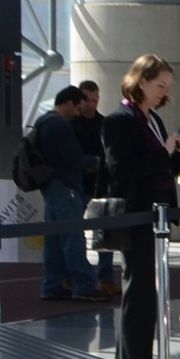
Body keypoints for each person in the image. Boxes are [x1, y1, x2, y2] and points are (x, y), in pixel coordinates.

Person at [102, 53, 180, 359]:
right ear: (141, 82)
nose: (164, 92)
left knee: (147, 292)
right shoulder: (118, 121)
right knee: (138, 291)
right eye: (160, 85)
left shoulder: (152, 119)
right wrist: (164, 154)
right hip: (136, 215)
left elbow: (161, 167)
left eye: (167, 86)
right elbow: (120, 170)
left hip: (156, 216)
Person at [32, 85, 104, 302]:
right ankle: (84, 284)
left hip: (50, 186)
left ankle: (52, 284)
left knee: (54, 238)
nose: (79, 113)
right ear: (69, 103)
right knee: (74, 237)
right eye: (78, 107)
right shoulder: (61, 125)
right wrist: (95, 162)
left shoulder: (42, 121)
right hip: (66, 187)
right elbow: (74, 158)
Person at [73, 80, 118, 296]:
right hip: (79, 185)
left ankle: (105, 277)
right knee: (76, 233)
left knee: (104, 234)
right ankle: (78, 275)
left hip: (100, 186)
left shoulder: (104, 123)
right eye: (87, 100)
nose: (91, 104)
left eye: (95, 100)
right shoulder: (72, 124)